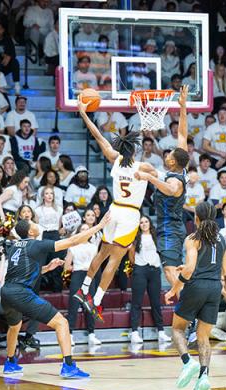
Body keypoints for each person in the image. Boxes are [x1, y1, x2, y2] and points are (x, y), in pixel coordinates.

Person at [73, 88, 183, 319]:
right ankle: (97, 300)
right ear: (136, 150)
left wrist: (84, 115)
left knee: (101, 253)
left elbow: (99, 136)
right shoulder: (144, 168)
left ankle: (83, 290)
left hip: (113, 211)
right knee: (115, 259)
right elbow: (169, 177)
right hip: (130, 215)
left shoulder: (115, 160)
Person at [0, 213, 109, 377]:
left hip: (7, 291)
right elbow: (72, 241)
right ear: (30, 232)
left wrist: (46, 268)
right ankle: (69, 366)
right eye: (33, 223)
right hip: (21, 293)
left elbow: (19, 272)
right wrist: (99, 227)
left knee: (15, 326)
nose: (36, 224)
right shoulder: (35, 245)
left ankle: (10, 363)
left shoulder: (15, 246)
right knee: (61, 323)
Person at [126, 87, 191, 289]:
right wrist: (182, 107)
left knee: (170, 271)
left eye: (169, 155)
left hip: (170, 229)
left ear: (172, 163)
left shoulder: (174, 182)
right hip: (169, 227)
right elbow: (182, 133)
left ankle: (187, 312)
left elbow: (170, 190)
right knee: (173, 270)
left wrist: (147, 178)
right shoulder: (180, 166)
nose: (167, 155)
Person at [164, 202, 226, 390]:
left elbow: (191, 269)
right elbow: (224, 269)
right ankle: (204, 377)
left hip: (196, 286)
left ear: (197, 218)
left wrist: (173, 289)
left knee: (177, 328)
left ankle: (187, 362)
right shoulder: (222, 238)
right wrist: (192, 266)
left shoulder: (193, 238)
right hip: (215, 288)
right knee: (203, 337)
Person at [127, 216, 172, 344]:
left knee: (156, 302)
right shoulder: (135, 238)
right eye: (141, 222)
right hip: (140, 270)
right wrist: (137, 266)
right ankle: (134, 332)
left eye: (146, 221)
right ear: (138, 225)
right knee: (137, 302)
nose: (144, 224)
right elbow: (131, 254)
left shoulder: (156, 236)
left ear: (150, 223)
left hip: (155, 270)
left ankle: (161, 332)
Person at [64, 223, 102, 347]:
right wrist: (75, 268)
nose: (86, 231)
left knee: (90, 306)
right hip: (77, 275)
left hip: (90, 276)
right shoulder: (73, 247)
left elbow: (97, 264)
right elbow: (66, 266)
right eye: (83, 229)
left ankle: (91, 334)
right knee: (73, 305)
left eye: (88, 229)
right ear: (79, 232)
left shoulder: (94, 247)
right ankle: (69, 335)